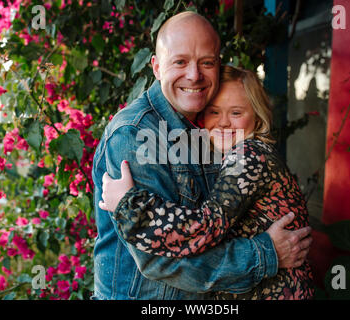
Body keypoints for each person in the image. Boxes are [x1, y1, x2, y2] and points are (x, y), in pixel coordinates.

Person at [92, 11, 312, 300]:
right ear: (156, 67)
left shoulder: (218, 137)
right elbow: (160, 260)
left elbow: (212, 227)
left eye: (206, 62)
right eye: (180, 61)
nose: (194, 75)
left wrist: (129, 207)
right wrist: (265, 253)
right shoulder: (134, 134)